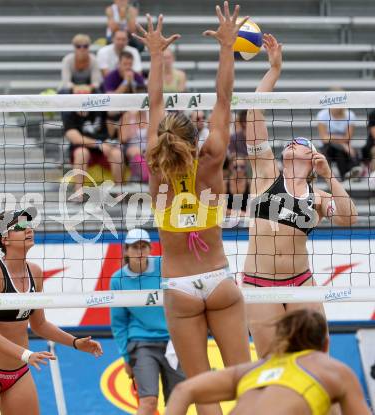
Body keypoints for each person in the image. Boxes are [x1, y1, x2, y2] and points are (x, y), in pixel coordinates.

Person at [133, 5, 251, 415]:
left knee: (203, 392)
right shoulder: (213, 157)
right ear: (195, 135)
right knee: (248, 383)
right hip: (217, 278)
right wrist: (226, 47)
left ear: (164, 138)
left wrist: (154, 56)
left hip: (179, 288)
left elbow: (154, 102)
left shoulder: (156, 166)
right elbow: (224, 96)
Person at [244, 34, 358, 358]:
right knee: (270, 364)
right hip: (258, 284)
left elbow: (350, 218)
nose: (294, 143)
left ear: (312, 160)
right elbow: (254, 113)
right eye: (291, 142)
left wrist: (329, 177)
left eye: (303, 143)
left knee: (315, 361)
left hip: (300, 283)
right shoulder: (265, 174)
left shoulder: (318, 195)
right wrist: (274, 71)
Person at [0, 208, 103, 415]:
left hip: (18, 372)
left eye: (30, 225)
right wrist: (26, 354)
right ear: (5, 239)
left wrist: (75, 342)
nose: (29, 229)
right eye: (20, 227)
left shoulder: (35, 272)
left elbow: (39, 325)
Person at [165, 309, 371, 415]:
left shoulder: (254, 368)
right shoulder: (332, 369)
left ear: (283, 341)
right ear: (325, 344)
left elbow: (183, 391)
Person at [111, 228, 185, 415]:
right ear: (126, 251)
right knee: (149, 402)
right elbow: (119, 324)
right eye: (135, 247)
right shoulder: (117, 279)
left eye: (144, 246)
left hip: (173, 342)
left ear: (150, 249)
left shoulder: (164, 265)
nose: (140, 251)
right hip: (142, 343)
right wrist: (126, 358)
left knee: (178, 402)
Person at [62, 110, 125, 195]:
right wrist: (98, 144)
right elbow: (75, 138)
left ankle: (119, 192)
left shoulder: (99, 109)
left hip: (103, 150)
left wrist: (112, 116)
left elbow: (111, 132)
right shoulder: (69, 114)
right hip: (84, 149)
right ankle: (78, 193)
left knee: (117, 153)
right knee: (82, 153)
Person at [317, 90, 360, 180]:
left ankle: (343, 177)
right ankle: (346, 174)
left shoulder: (350, 115)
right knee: (334, 150)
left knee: (339, 152)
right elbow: (324, 139)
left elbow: (347, 137)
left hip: (342, 149)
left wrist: (331, 138)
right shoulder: (322, 114)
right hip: (327, 148)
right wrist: (343, 144)